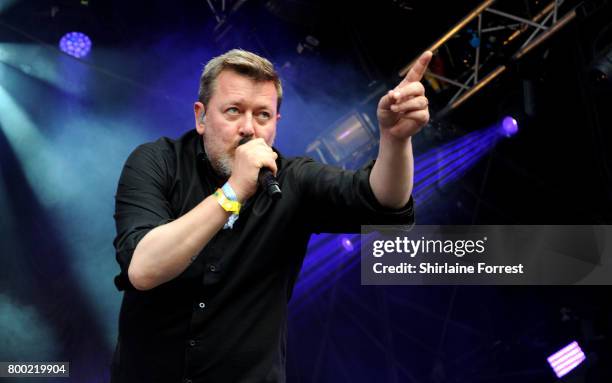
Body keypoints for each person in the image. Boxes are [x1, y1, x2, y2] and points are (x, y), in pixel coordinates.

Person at [111, 48, 432, 383]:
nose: (249, 128)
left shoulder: (294, 180)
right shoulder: (157, 162)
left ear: (275, 124)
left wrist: (395, 141)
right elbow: (143, 269)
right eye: (233, 111)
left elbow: (383, 204)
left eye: (262, 115)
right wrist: (233, 191)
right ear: (201, 117)